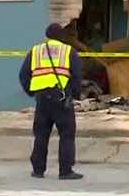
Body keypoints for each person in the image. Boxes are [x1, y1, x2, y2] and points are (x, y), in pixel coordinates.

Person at [19, 23, 84, 180]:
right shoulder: (68, 51)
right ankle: (65, 171)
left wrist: (32, 92)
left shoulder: (35, 51)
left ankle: (38, 170)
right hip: (61, 98)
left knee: (41, 135)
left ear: (47, 35)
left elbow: (23, 75)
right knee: (67, 135)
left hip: (42, 99)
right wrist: (73, 95)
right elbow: (77, 76)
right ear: (62, 36)